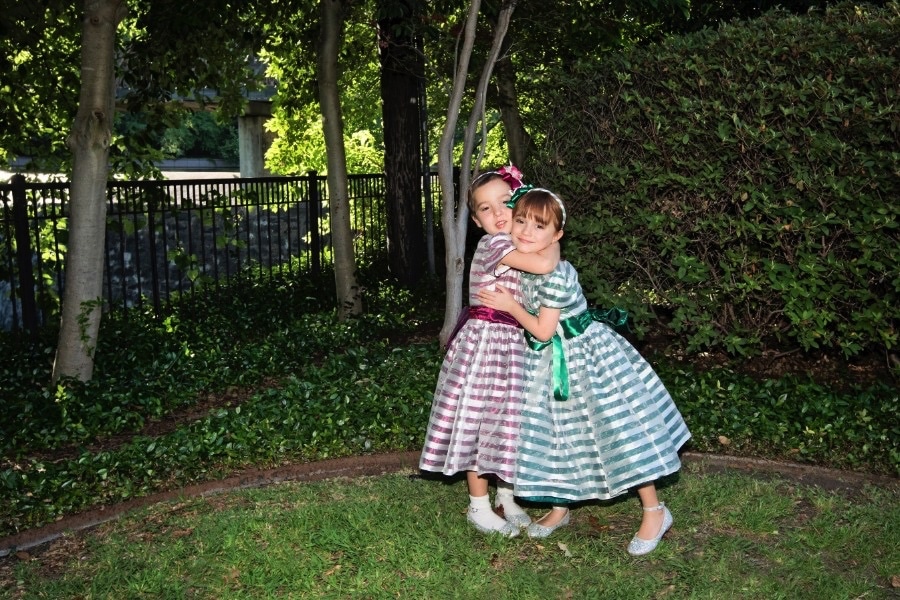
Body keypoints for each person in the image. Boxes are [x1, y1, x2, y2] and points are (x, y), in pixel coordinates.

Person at [476, 186, 690, 554]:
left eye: (539, 227)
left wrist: (510, 305)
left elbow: (543, 329)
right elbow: (535, 264)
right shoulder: (524, 259)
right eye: (522, 221)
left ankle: (655, 510)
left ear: (557, 235)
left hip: (585, 358)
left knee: (617, 428)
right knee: (558, 432)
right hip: (547, 359)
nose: (526, 231)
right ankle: (562, 506)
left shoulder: (556, 275)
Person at [419, 167, 560, 537]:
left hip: (512, 344)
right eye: (485, 208)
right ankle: (478, 506)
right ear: (478, 221)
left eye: (504, 202)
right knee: (481, 422)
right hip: (485, 346)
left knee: (509, 423)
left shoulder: (518, 243)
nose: (497, 213)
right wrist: (554, 231)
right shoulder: (495, 245)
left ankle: (507, 497)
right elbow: (547, 263)